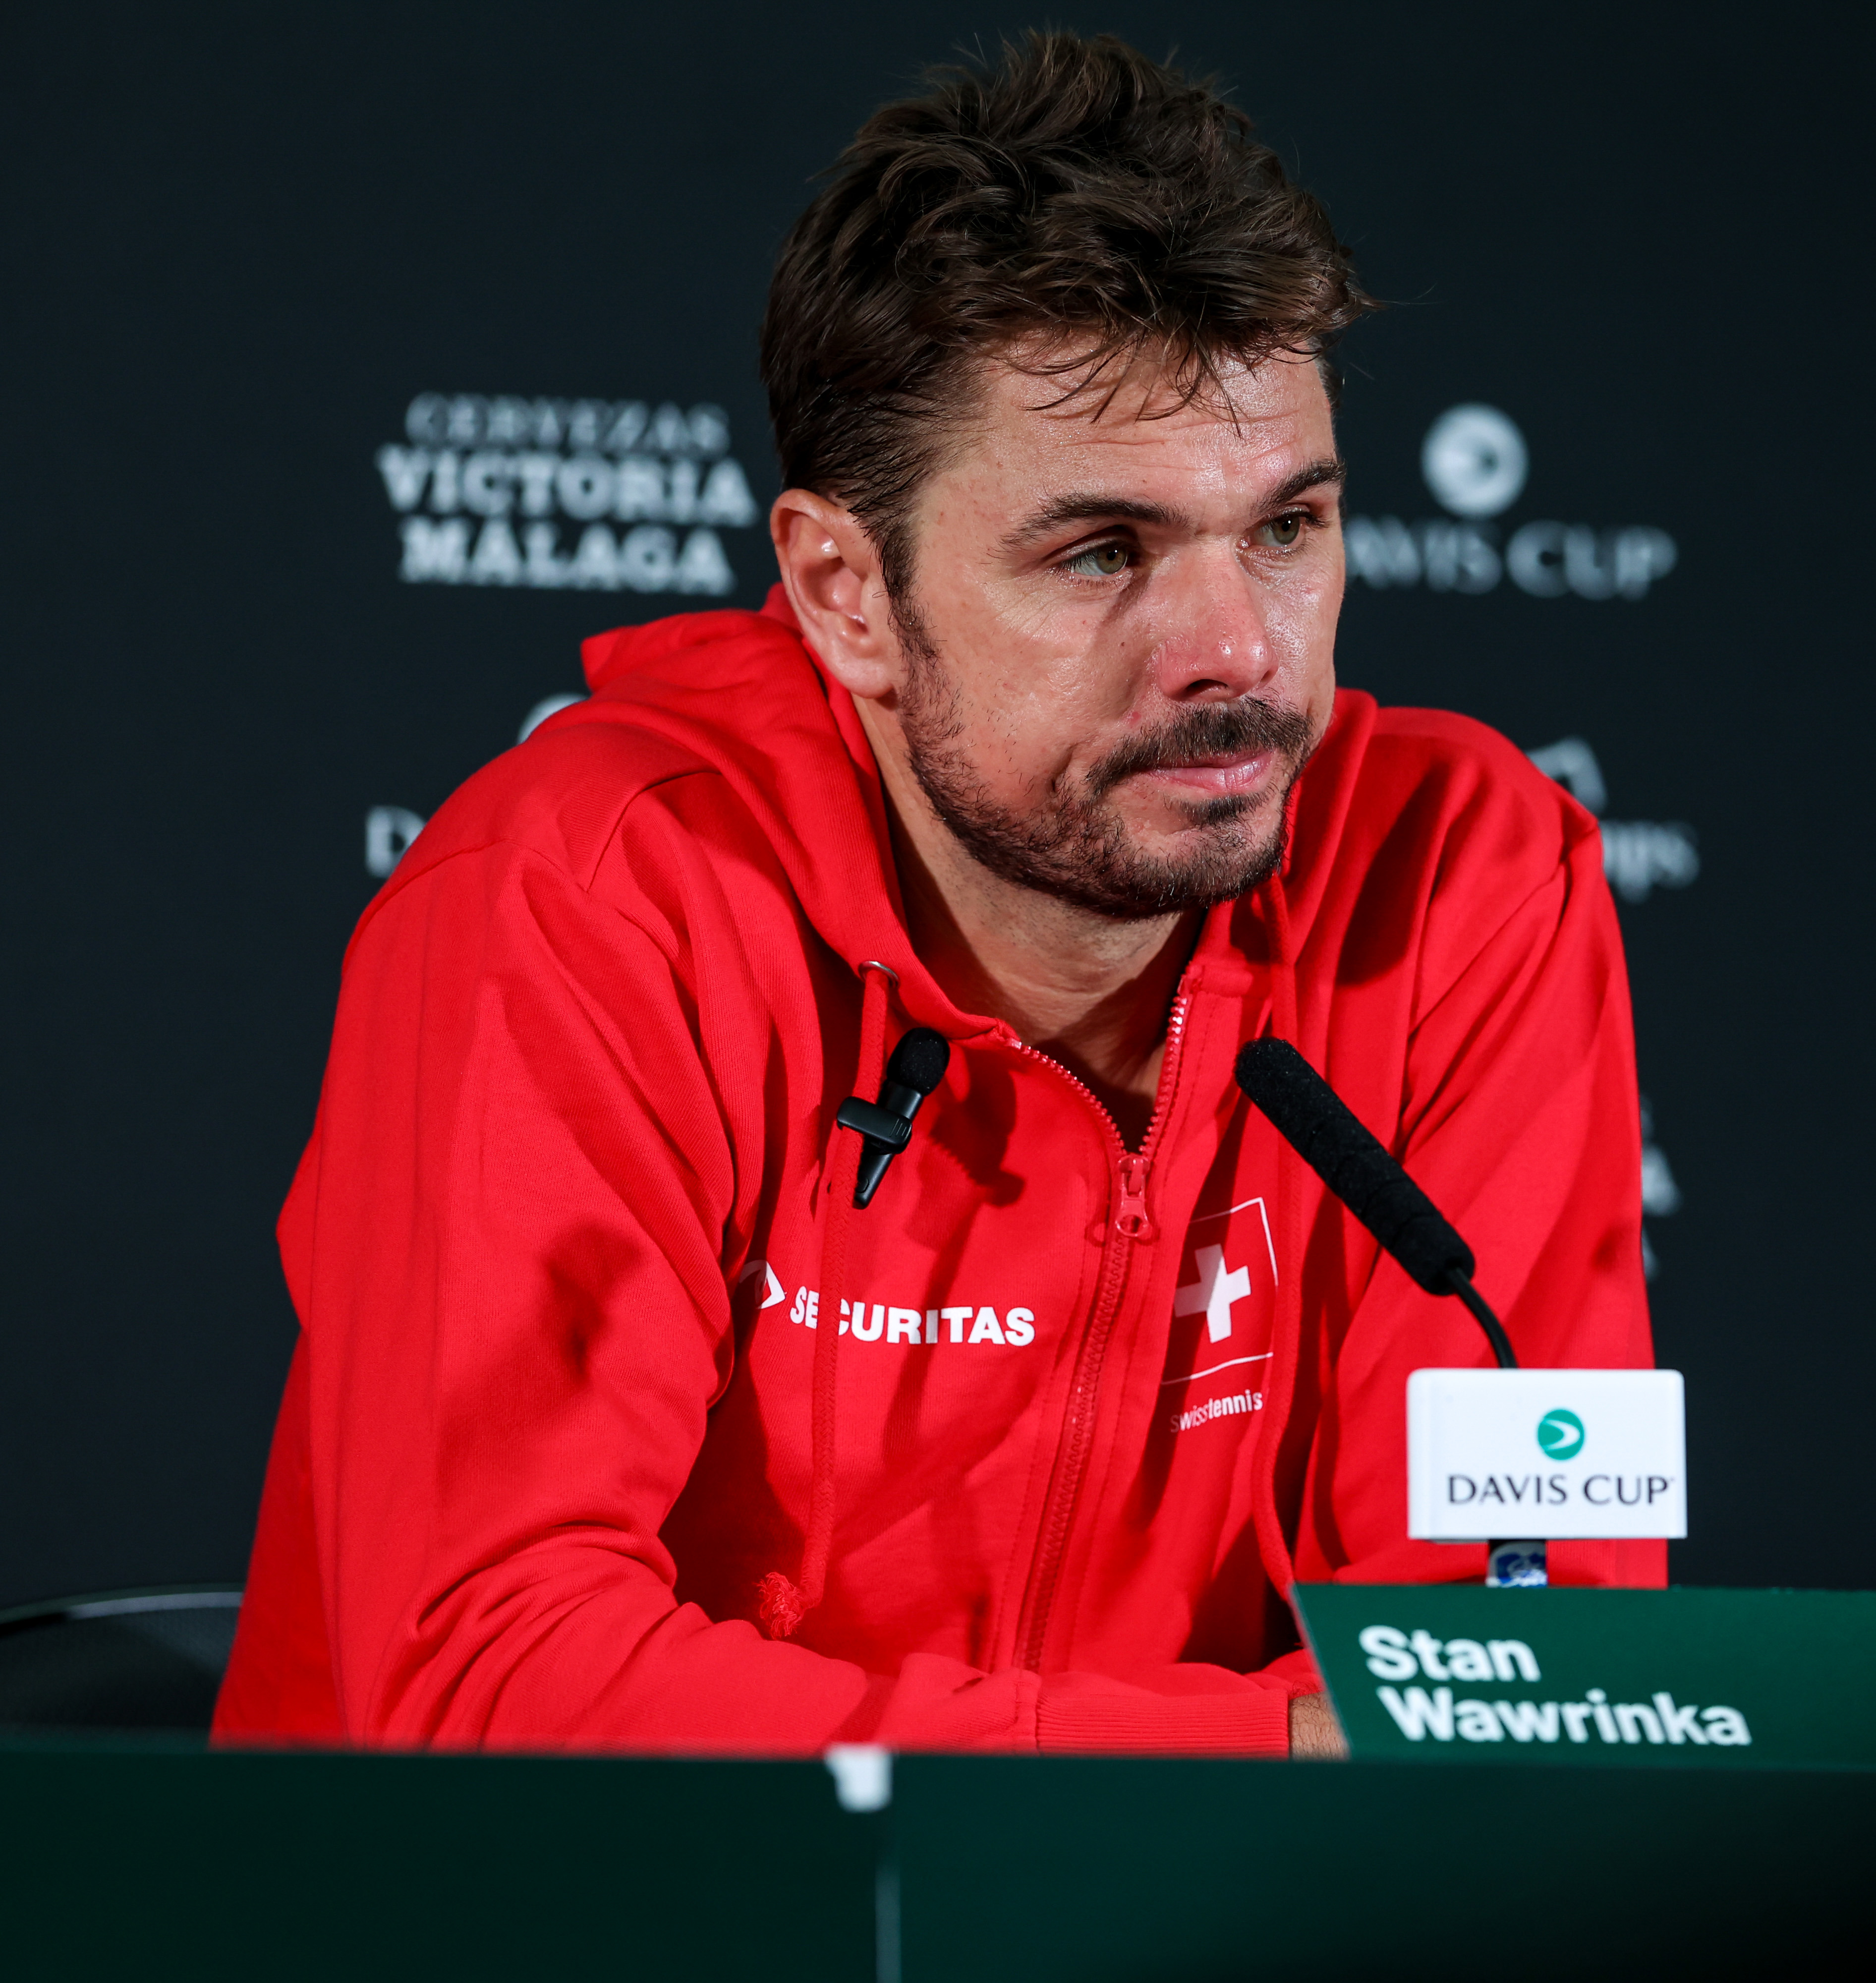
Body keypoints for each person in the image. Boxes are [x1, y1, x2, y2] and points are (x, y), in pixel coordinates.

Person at [213, 33, 1658, 1758]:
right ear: (844, 595)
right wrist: (1248, 1755)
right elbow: (488, 1686)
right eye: (1101, 553)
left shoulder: (1464, 878)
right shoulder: (582, 901)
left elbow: (1511, 1663)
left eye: (1289, 527)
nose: (1240, 656)